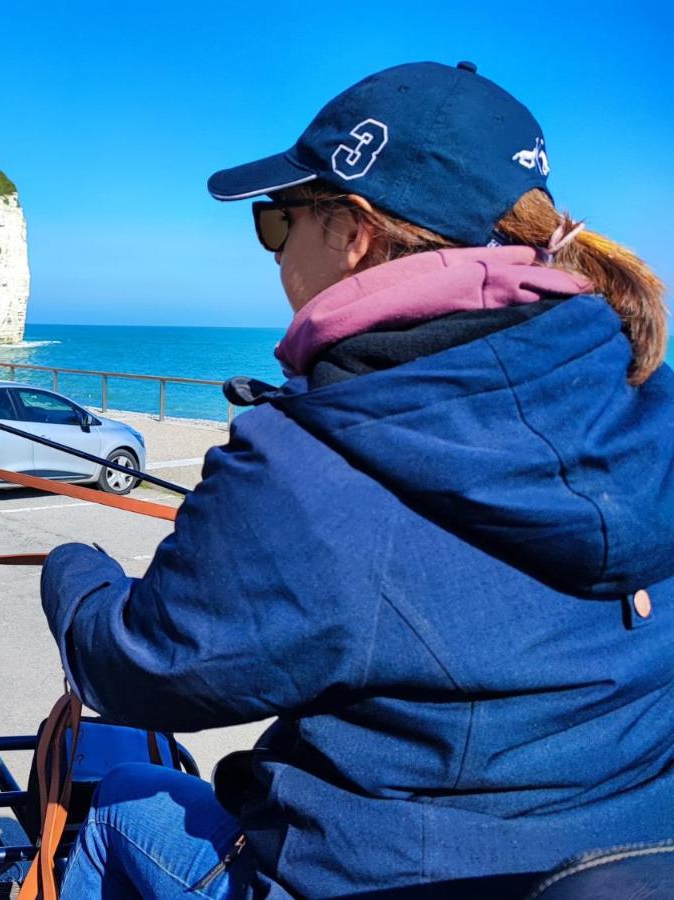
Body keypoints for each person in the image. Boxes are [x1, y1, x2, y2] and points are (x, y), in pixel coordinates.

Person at [41, 61, 673, 899]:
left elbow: (140, 668)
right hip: (622, 858)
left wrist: (72, 569)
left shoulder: (302, 462)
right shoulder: (647, 397)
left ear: (355, 233)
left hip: (382, 874)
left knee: (124, 801)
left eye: (276, 221)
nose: (273, 253)